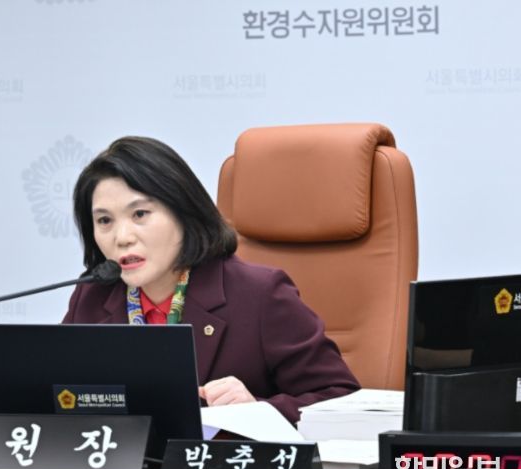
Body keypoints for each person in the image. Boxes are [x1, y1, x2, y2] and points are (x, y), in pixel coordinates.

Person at [61, 136, 360, 423]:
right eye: (104, 220)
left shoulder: (260, 295)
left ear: (183, 212)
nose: (122, 237)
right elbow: (58, 398)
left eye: (140, 214)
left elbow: (341, 399)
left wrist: (258, 411)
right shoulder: (91, 298)